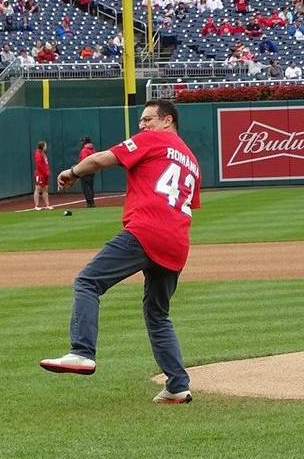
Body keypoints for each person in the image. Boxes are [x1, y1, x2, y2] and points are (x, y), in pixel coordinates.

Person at [40, 100, 202, 405]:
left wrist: (73, 171)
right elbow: (187, 202)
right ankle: (178, 384)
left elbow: (102, 159)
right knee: (157, 314)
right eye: (141, 121)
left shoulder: (153, 139)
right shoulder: (192, 159)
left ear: (167, 120)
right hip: (178, 241)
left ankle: (81, 352)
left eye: (148, 119)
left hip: (146, 229)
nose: (142, 125)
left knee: (88, 282)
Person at [33, 141, 52, 211]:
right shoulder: (38, 153)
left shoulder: (43, 153)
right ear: (42, 146)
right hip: (40, 175)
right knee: (38, 189)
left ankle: (47, 205)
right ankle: (36, 206)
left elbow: (46, 164)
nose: (46, 147)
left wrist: (47, 172)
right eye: (45, 145)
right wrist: (44, 172)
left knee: (45, 190)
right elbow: (39, 165)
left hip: (45, 175)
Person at [78, 136, 96, 207]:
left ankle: (90, 203)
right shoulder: (93, 149)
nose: (81, 143)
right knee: (90, 186)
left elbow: (84, 160)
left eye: (82, 141)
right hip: (92, 170)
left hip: (85, 171)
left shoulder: (84, 150)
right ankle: (92, 202)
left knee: (86, 187)